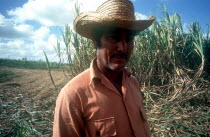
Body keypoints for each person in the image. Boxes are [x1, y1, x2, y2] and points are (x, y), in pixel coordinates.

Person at [53, 0, 155, 136]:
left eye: (129, 39)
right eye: (114, 38)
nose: (123, 47)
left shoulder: (133, 83)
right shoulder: (73, 95)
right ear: (95, 41)